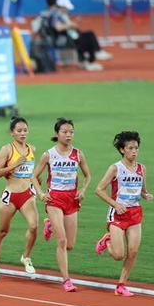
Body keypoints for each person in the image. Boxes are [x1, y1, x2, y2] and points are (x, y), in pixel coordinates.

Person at [34, 118, 91, 292]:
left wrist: (82, 190)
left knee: (70, 245)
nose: (68, 135)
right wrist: (41, 194)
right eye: (65, 132)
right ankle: (66, 280)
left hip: (72, 200)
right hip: (54, 199)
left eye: (71, 132)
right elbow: (34, 176)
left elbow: (88, 176)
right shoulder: (48, 154)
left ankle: (49, 224)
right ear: (57, 134)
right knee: (62, 240)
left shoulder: (78, 154)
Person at [94, 131, 154, 297]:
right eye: (130, 148)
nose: (134, 151)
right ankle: (107, 241)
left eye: (136, 148)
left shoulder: (141, 169)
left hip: (135, 214)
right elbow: (98, 190)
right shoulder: (115, 168)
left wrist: (146, 195)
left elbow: (142, 190)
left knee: (133, 252)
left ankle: (121, 285)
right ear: (122, 150)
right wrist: (115, 204)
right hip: (118, 215)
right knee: (119, 255)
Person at [0, 117, 45, 281]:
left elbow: (31, 173)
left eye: (25, 130)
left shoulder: (31, 149)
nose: (22, 133)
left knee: (34, 226)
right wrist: (14, 165)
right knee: (3, 230)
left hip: (27, 194)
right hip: (10, 195)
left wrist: (36, 179)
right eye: (19, 131)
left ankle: (26, 257)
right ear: (12, 132)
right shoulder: (7, 149)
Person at [51, 0, 112, 71]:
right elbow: (58, 27)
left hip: (70, 36)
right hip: (64, 38)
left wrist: (72, 24)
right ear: (62, 6)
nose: (67, 9)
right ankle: (93, 57)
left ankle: (87, 60)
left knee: (87, 36)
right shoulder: (56, 15)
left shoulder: (62, 14)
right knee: (89, 37)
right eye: (66, 7)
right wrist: (70, 25)